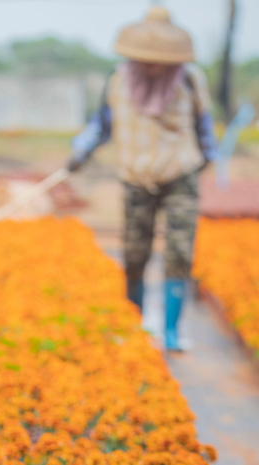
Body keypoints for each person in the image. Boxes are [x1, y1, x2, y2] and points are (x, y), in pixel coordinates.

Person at [68, 5, 218, 351]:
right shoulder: (119, 79)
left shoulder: (190, 79)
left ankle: (171, 330)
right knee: (136, 253)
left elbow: (204, 127)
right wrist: (80, 152)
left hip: (180, 175)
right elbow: (101, 125)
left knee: (179, 252)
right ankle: (135, 324)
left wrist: (204, 162)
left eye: (158, 59)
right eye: (145, 58)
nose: (151, 66)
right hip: (135, 177)